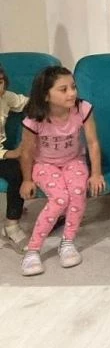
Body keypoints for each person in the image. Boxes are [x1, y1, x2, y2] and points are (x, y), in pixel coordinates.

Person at [19, 66, 106, 276]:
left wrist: (96, 173)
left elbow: (93, 143)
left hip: (73, 161)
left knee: (77, 194)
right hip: (44, 165)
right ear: (46, 95)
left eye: (73, 87)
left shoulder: (82, 108)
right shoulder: (34, 118)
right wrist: (27, 180)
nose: (72, 93)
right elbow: (27, 152)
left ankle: (67, 242)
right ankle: (33, 250)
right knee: (60, 199)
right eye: (63, 89)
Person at [0, 65, 28, 253]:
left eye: (0, 82)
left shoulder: (5, 97)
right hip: (2, 153)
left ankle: (11, 224)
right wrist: (9, 154)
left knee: (17, 172)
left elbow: (23, 102)